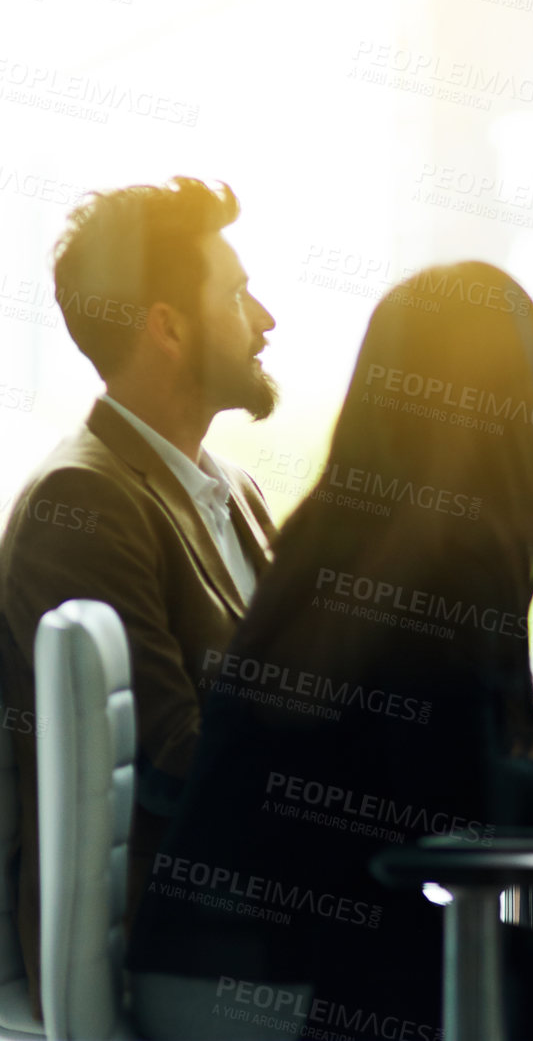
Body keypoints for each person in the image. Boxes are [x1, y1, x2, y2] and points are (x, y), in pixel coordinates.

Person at [126, 263, 533, 1041]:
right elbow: (452, 798)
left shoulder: (352, 528)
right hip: (268, 977)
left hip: (216, 958)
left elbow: (410, 759)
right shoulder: (445, 548)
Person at [0, 177, 280, 1015]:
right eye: (235, 293)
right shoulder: (80, 503)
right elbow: (177, 765)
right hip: (175, 945)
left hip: (267, 921)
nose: (266, 319)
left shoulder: (236, 492)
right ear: (167, 325)